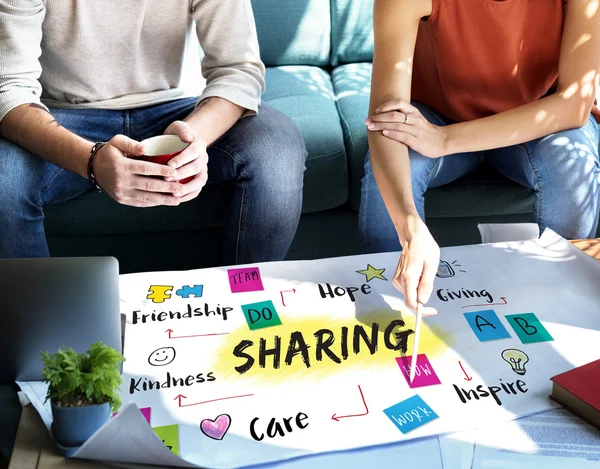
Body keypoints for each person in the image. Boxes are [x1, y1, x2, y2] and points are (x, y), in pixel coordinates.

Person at [0, 1, 306, 265]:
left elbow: (238, 68)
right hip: (65, 115)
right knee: (4, 177)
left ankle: (246, 310)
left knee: (275, 148)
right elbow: (9, 89)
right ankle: (37, 329)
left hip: (177, 108)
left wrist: (194, 137)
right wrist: (91, 161)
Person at [360, 0, 600, 312]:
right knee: (393, 171)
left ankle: (563, 311)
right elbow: (387, 118)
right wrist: (410, 228)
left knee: (572, 169)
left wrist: (445, 140)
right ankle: (391, 314)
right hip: (435, 116)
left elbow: (573, 105)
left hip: (534, 120)